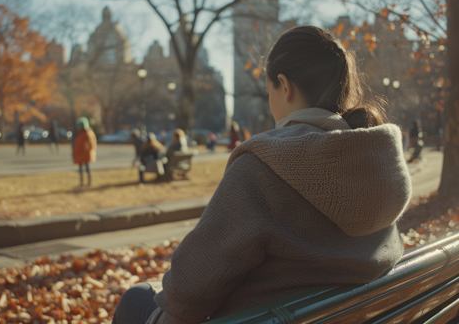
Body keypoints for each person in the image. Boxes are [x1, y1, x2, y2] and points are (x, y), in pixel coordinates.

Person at [113, 26, 412, 323]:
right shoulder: (378, 163)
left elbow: (186, 289)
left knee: (136, 298)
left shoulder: (264, 167)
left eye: (270, 91)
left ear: (284, 85)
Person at [72, 117, 97, 187]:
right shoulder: (80, 134)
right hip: (80, 154)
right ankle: (82, 182)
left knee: (87, 168)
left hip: (85, 154)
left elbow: (91, 144)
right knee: (81, 169)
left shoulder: (87, 133)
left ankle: (88, 182)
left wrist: (87, 150)